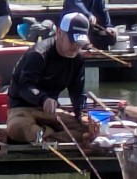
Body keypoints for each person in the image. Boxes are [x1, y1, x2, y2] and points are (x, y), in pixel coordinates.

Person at [6, 13, 90, 144]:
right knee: (18, 129)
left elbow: (78, 92)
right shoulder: (39, 54)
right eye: (72, 40)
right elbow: (25, 87)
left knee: (89, 129)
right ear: (59, 32)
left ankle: (44, 136)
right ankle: (49, 135)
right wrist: (43, 99)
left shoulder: (77, 59)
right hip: (23, 109)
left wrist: (82, 114)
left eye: (80, 43)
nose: (76, 46)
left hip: (51, 113)